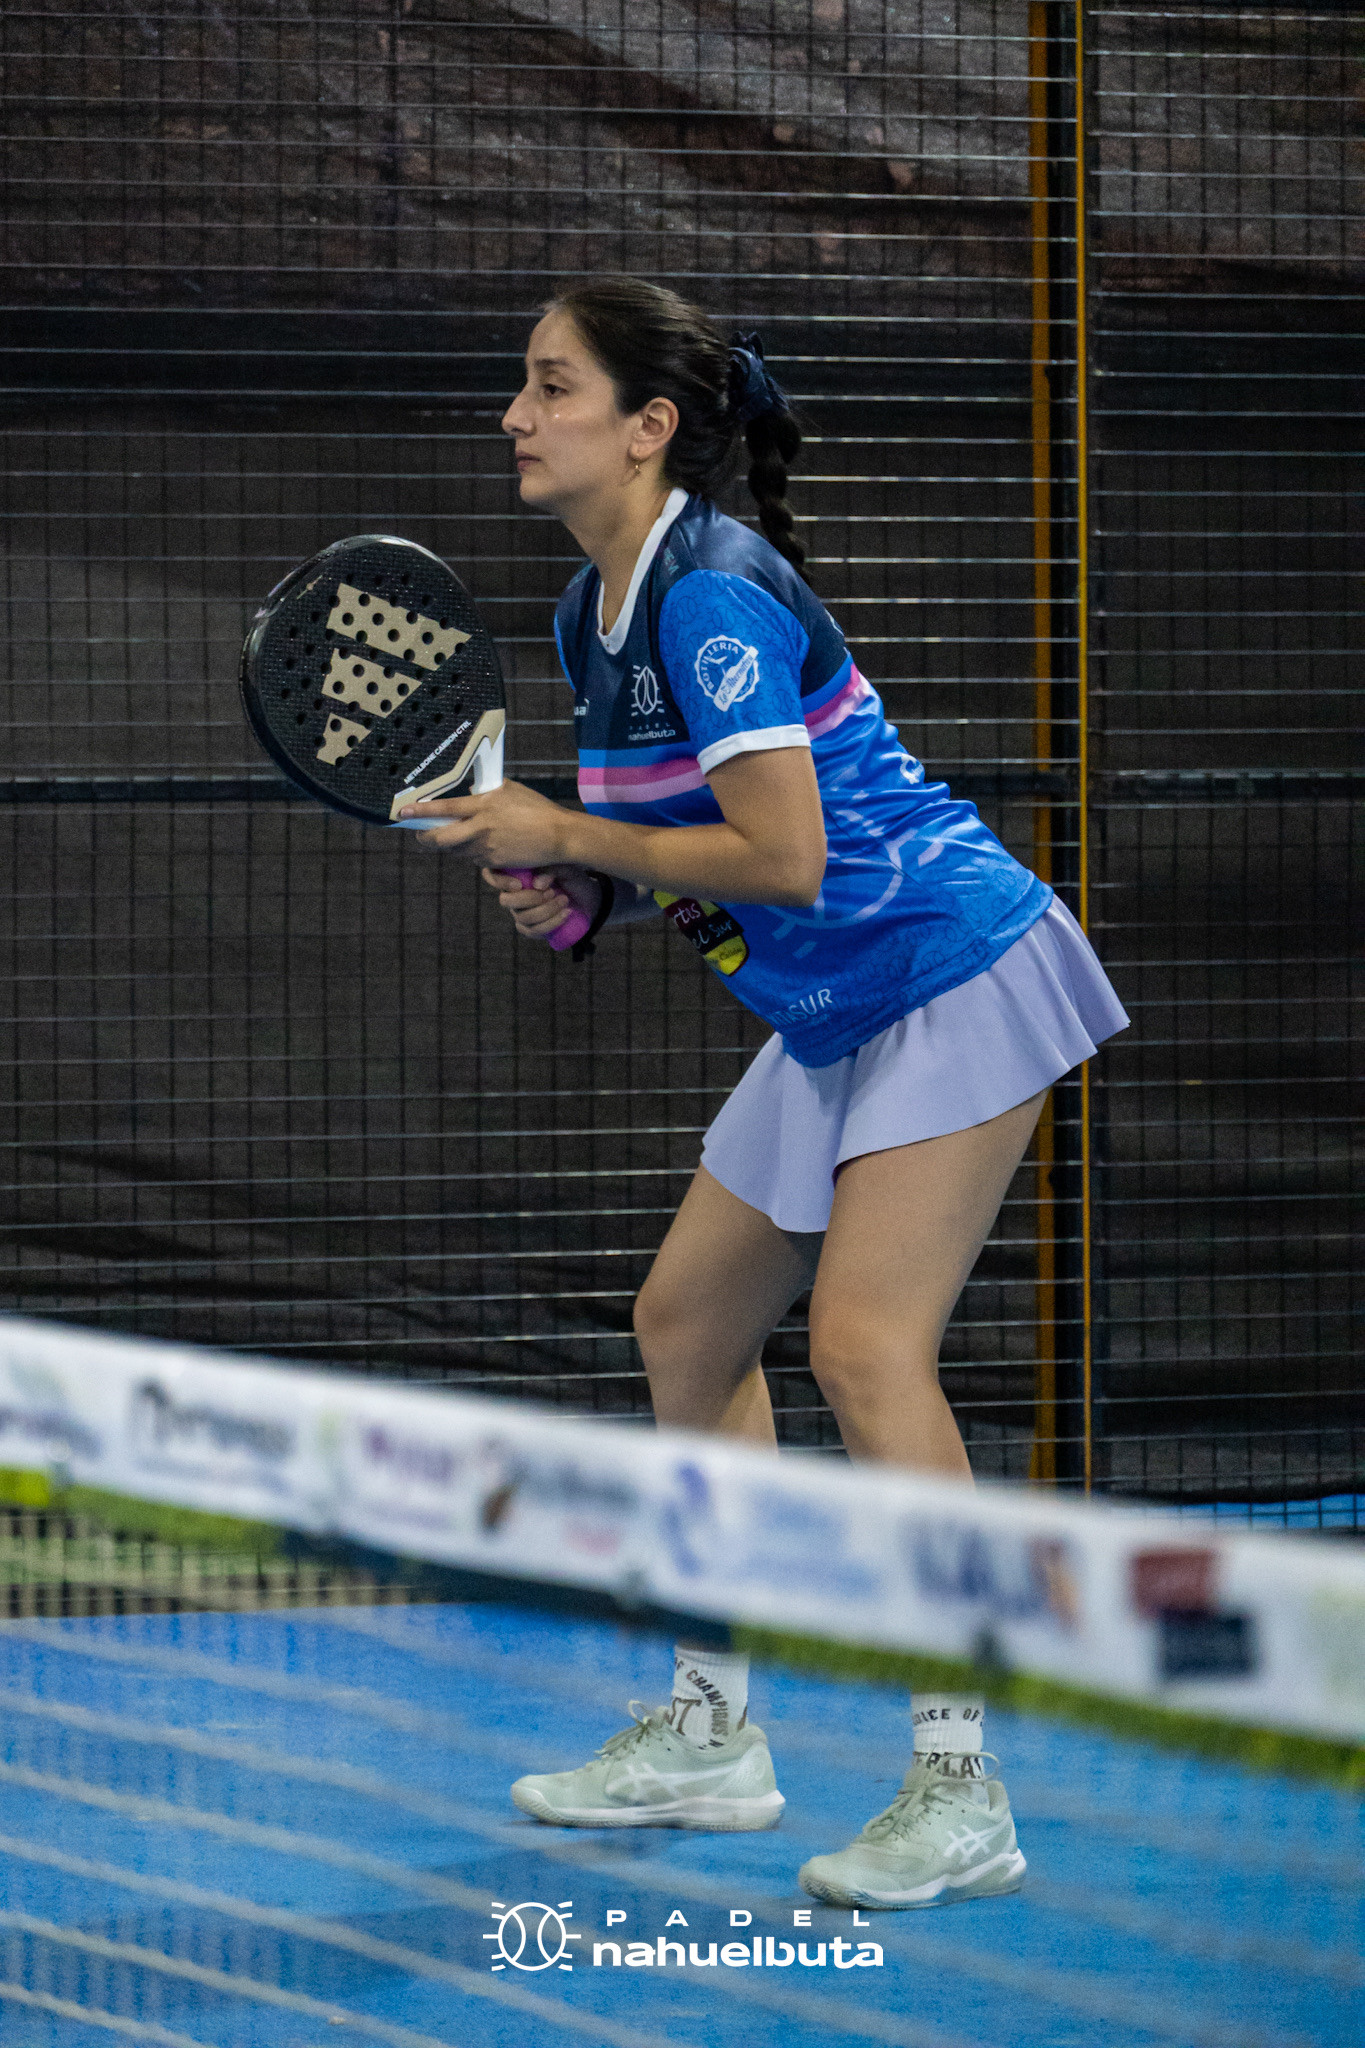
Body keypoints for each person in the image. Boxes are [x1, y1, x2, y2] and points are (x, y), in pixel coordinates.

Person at [400, 275, 1128, 1910]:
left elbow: (787, 856)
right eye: (523, 384)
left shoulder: (710, 596)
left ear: (646, 427)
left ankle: (963, 1788)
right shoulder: (595, 613)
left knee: (865, 1348)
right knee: (685, 1327)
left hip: (949, 967)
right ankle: (712, 1731)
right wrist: (574, 892)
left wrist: (567, 832)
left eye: (553, 385)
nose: (517, 415)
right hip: (828, 1011)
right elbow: (683, 858)